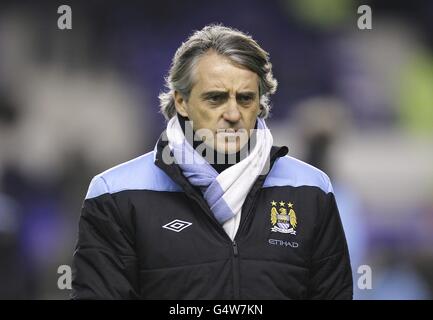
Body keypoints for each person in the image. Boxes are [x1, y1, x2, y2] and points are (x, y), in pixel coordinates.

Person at [71, 24, 352, 299]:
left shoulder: (311, 189)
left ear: (260, 104)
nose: (232, 113)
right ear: (181, 101)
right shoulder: (114, 193)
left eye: (244, 99)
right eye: (215, 98)